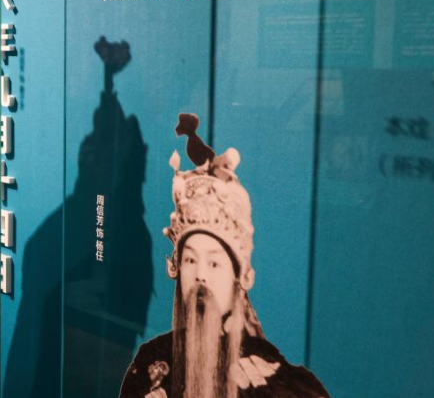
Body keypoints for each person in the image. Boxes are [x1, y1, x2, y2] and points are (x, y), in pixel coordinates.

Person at [118, 114, 329, 398]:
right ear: (176, 267)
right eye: (190, 260)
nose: (201, 275)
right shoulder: (152, 361)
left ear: (241, 277)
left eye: (215, 263)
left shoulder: (271, 375)